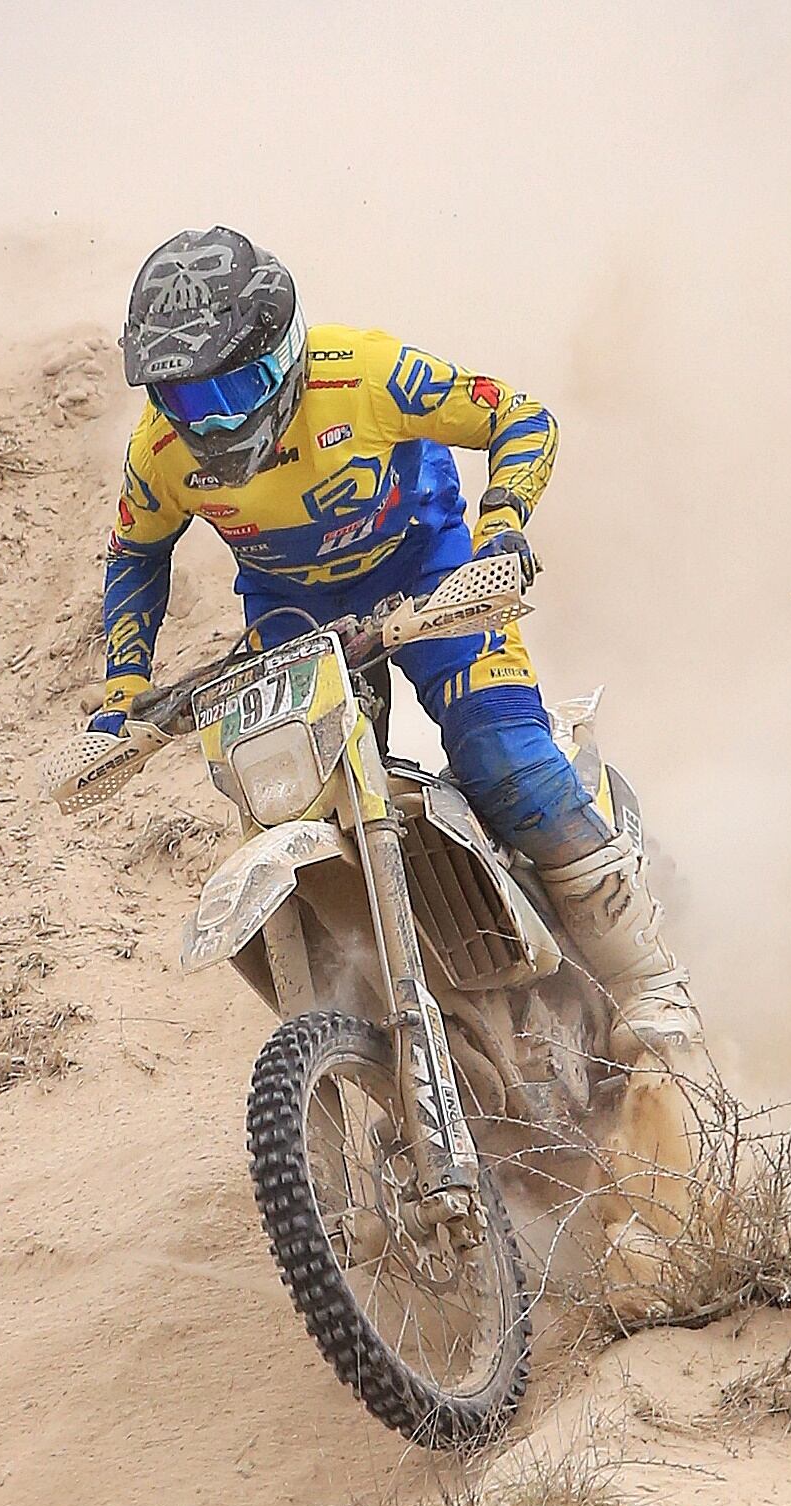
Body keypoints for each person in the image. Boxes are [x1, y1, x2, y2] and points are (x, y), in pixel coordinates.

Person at [87, 226, 702, 1063]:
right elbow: (135, 551)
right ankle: (383, 1021)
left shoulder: (364, 373)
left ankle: (652, 984)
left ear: (287, 351)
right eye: (189, 400)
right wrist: (125, 683)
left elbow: (517, 415)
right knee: (297, 804)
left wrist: (503, 526)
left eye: (237, 388)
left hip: (432, 571)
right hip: (294, 614)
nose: (217, 419)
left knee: (502, 756)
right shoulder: (158, 456)